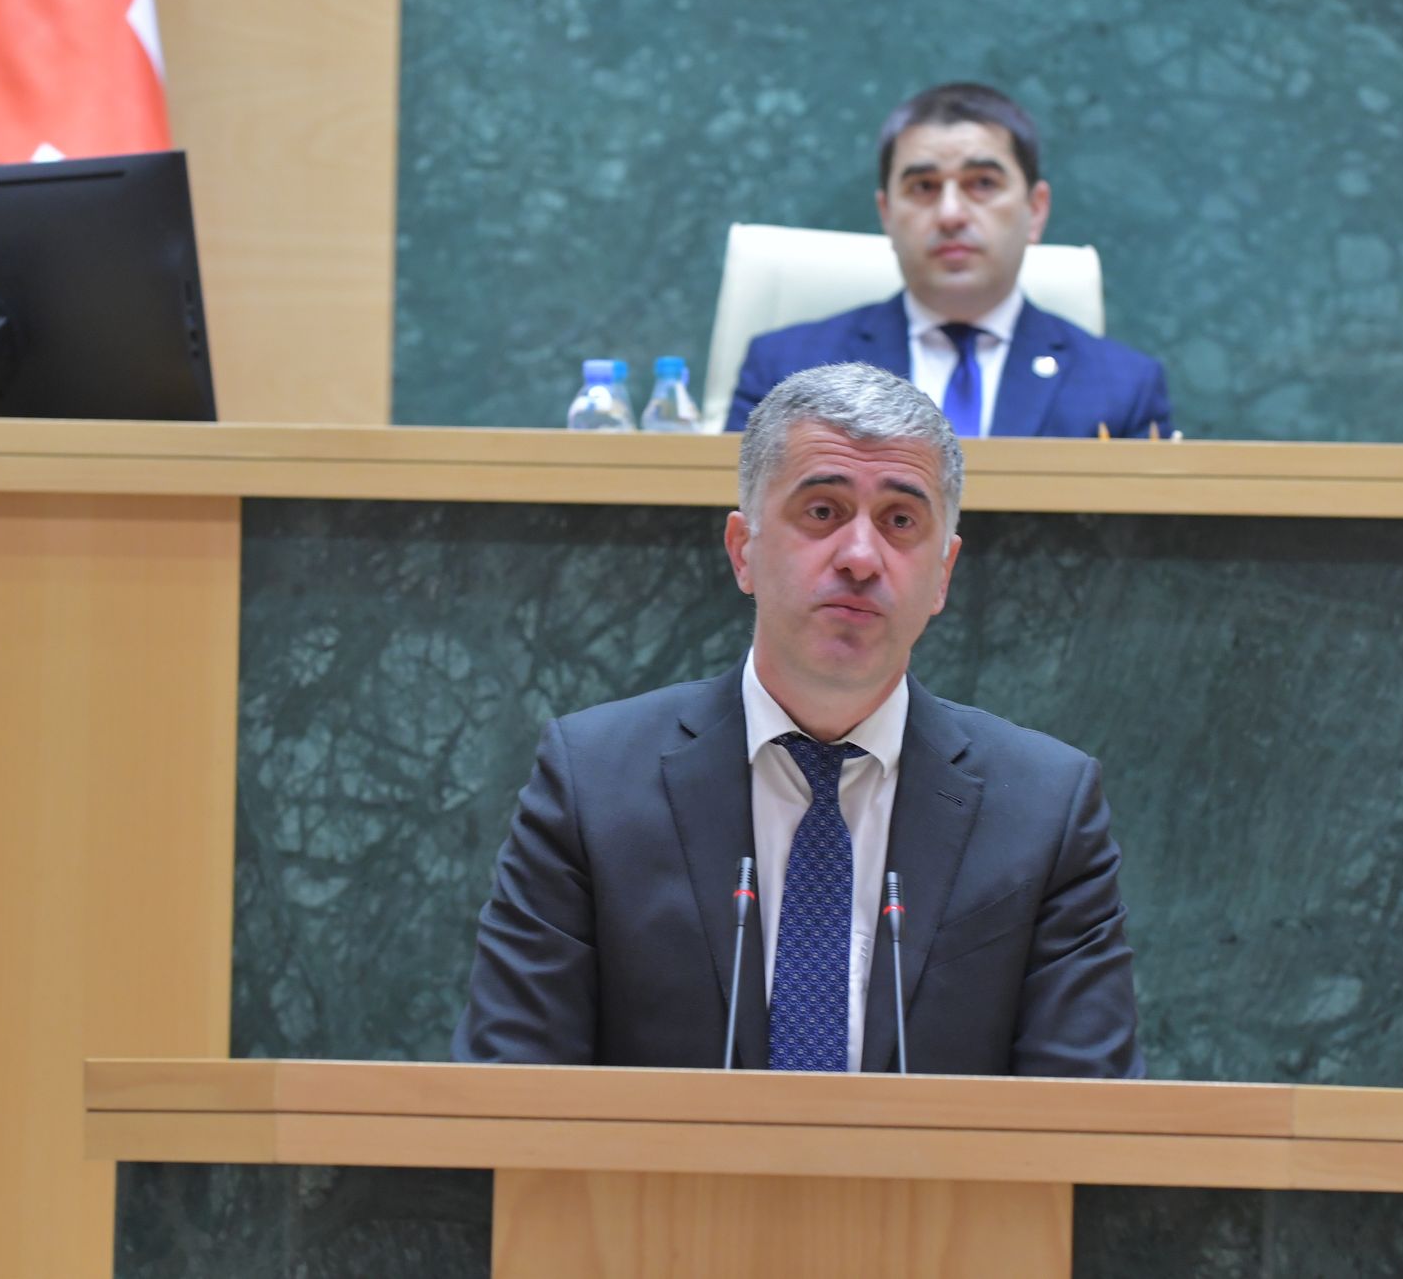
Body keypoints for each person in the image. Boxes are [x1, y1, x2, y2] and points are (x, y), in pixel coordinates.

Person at [461, 363, 1144, 1077]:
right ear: (743, 551)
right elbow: (509, 1088)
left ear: (943, 573)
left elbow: (1087, 1112)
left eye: (900, 521)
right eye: (821, 511)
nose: (860, 558)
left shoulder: (1044, 808)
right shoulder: (593, 782)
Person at [723, 82, 1174, 440]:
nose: (951, 214)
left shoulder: (1125, 387)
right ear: (886, 214)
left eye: (982, 183)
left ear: (1035, 211)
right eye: (924, 187)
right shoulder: (786, 370)